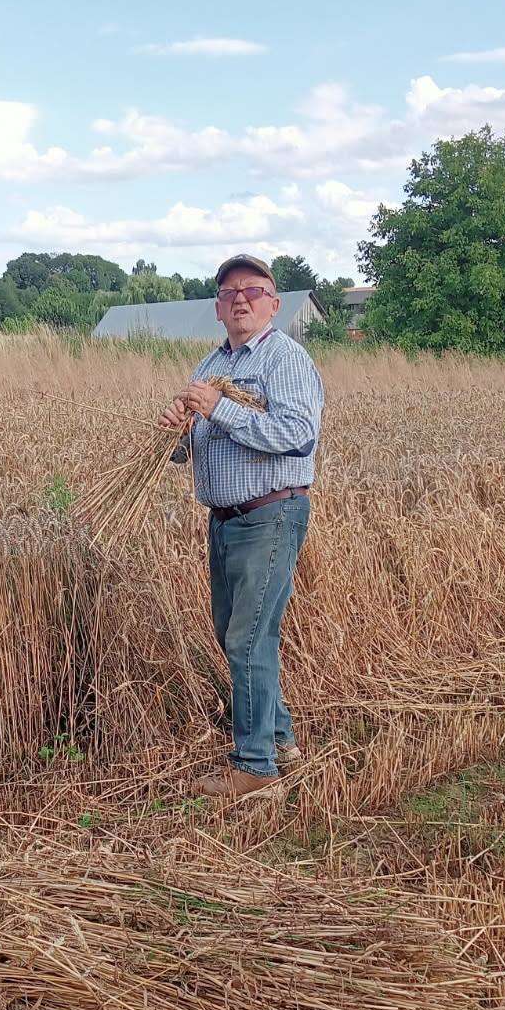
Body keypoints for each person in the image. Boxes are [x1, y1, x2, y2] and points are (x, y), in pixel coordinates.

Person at [159, 254, 323, 797]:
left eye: (252, 290)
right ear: (217, 308)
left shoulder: (285, 359)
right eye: (229, 293)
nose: (240, 299)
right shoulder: (210, 367)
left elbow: (296, 436)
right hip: (225, 519)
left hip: (270, 514)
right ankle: (280, 742)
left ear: (274, 304)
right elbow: (194, 450)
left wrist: (219, 410)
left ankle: (254, 770)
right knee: (245, 638)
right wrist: (178, 433)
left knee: (247, 640)